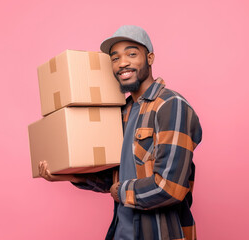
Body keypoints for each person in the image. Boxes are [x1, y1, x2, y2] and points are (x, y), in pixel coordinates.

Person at [38, 25, 202, 240]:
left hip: (160, 234)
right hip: (122, 232)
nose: (122, 63)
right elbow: (115, 179)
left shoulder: (171, 107)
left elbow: (170, 188)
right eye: (115, 58)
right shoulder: (122, 112)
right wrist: (65, 175)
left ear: (150, 58)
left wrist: (121, 192)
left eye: (132, 54)